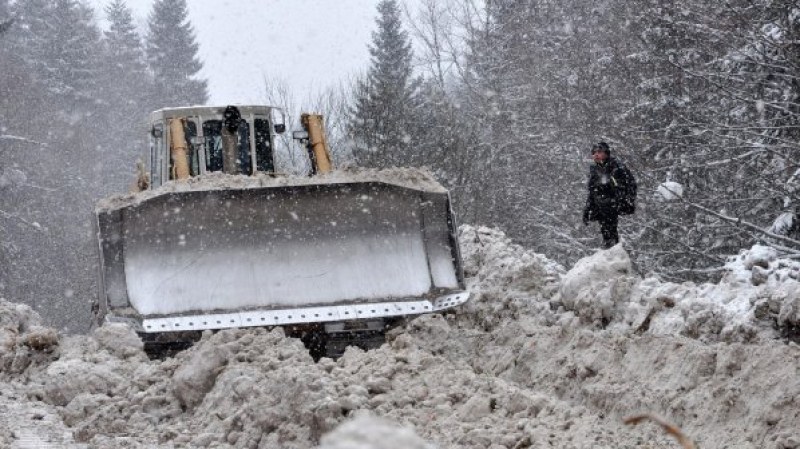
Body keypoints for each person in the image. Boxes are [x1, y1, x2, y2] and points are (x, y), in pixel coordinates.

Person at [582, 142, 637, 248]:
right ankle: (609, 246)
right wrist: (588, 209)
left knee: (610, 225)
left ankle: (613, 247)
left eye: (599, 152)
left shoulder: (617, 166)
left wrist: (623, 199)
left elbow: (631, 185)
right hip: (602, 204)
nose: (596, 155)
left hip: (615, 202)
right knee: (605, 226)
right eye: (594, 153)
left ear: (606, 153)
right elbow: (592, 192)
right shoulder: (594, 170)